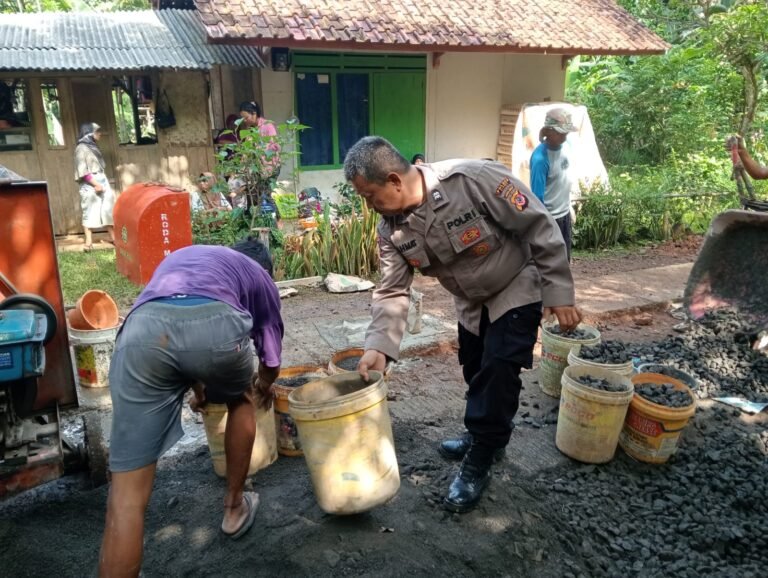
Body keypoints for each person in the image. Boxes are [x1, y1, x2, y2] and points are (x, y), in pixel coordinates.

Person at [344, 136, 581, 513]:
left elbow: (538, 223)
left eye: (370, 195)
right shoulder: (392, 231)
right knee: (475, 369)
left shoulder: (472, 179)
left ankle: (481, 458)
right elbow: (391, 292)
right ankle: (483, 435)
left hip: (517, 283)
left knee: (499, 369)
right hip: (470, 301)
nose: (369, 205)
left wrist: (559, 291)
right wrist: (379, 347)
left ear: (393, 179)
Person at [99, 239, 284, 577]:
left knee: (125, 496)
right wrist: (261, 386)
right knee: (240, 401)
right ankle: (234, 508)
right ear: (267, 270)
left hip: (141, 333)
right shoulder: (260, 277)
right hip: (216, 328)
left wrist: (198, 390)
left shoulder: (189, 257)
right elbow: (271, 361)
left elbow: (176, 321)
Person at [529, 107, 579, 262]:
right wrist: (545, 225)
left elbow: (564, 179)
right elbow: (537, 197)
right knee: (551, 264)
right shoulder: (540, 158)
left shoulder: (567, 146)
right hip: (550, 218)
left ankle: (563, 286)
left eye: (566, 132)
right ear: (549, 132)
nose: (565, 135)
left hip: (564, 214)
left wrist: (568, 205)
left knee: (564, 260)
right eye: (560, 132)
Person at [74, 122, 116, 252]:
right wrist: (96, 184)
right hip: (90, 183)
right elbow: (82, 171)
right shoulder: (81, 148)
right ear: (89, 133)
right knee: (89, 211)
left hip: (101, 178)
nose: (100, 134)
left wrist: (101, 182)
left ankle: (114, 238)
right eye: (97, 131)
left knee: (108, 209)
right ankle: (88, 242)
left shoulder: (92, 146)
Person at [238, 101, 281, 214]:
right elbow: (247, 151)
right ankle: (265, 220)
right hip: (258, 168)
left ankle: (278, 219)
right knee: (256, 195)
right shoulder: (251, 130)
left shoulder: (267, 125)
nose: (245, 120)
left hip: (271, 167)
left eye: (246, 117)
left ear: (254, 113)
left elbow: (275, 146)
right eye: (243, 118)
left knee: (265, 194)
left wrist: (258, 147)